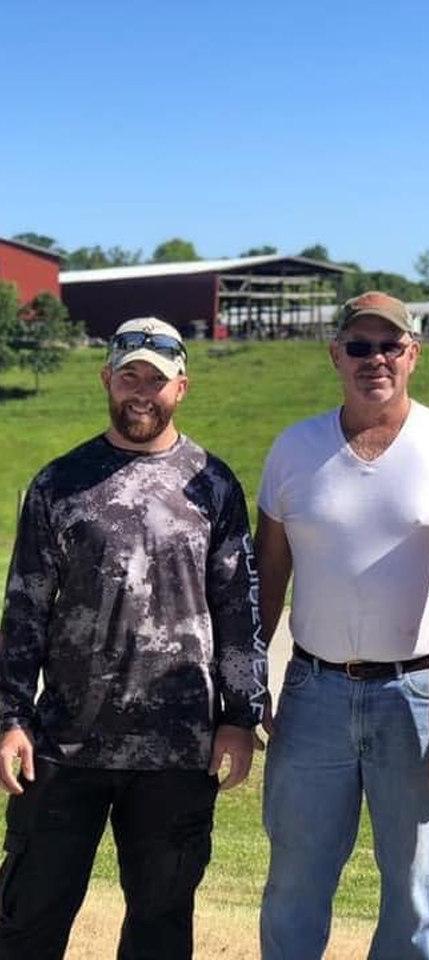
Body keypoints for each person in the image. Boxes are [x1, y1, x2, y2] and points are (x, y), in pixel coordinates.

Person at [0, 316, 267, 960]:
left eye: (157, 378)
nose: (141, 392)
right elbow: (25, 610)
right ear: (107, 380)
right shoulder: (60, 483)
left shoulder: (213, 483)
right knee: (26, 919)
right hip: (64, 746)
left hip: (177, 751)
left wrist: (240, 718)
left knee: (160, 926)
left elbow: (239, 608)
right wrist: (10, 717)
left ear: (182, 387)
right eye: (129, 377)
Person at [256, 291, 429, 959]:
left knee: (414, 889)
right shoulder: (295, 449)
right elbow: (267, 580)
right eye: (359, 346)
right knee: (295, 880)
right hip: (313, 692)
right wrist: (243, 690)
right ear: (336, 355)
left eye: (390, 345)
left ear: (414, 353)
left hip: (418, 694)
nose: (374, 358)